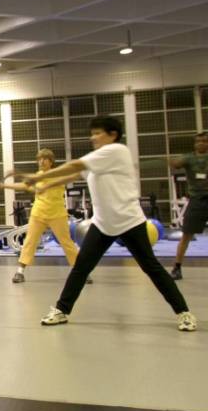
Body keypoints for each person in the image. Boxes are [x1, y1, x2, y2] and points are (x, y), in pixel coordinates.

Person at [17, 116, 196, 332]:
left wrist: (37, 178)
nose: (93, 137)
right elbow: (74, 174)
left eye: (98, 133)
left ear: (113, 135)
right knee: (81, 267)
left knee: (152, 268)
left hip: (129, 221)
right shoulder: (98, 158)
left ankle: (184, 313)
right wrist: (47, 185)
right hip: (102, 224)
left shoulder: (117, 151)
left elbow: (76, 164)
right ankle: (61, 310)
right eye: (92, 133)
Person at [0, 149, 90, 284]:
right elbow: (24, 185)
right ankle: (20, 272)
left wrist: (19, 173)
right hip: (38, 213)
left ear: (51, 162)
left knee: (67, 243)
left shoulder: (57, 174)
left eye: (44, 159)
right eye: (39, 159)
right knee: (30, 241)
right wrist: (4, 185)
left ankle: (81, 272)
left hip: (57, 214)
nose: (41, 161)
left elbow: (65, 177)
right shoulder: (38, 175)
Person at [168, 132, 208, 280]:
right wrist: (173, 162)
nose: (201, 143)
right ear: (194, 143)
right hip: (197, 201)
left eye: (205, 141)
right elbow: (177, 163)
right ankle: (177, 268)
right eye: (198, 141)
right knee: (186, 235)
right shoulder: (189, 158)